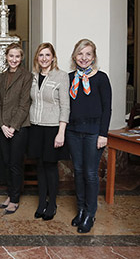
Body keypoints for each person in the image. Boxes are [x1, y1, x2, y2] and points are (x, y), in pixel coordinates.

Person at [67, 38, 112, 235]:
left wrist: (103, 134)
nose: (83, 58)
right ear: (75, 56)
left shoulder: (101, 78)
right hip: (73, 132)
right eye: (80, 54)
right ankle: (81, 209)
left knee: (91, 173)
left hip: (94, 132)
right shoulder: (69, 78)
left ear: (93, 57)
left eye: (88, 54)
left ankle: (90, 214)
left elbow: (107, 109)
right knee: (77, 171)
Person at [29, 43, 69, 221]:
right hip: (35, 126)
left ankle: (52, 203)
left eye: (47, 55)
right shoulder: (32, 76)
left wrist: (61, 132)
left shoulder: (61, 76)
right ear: (37, 58)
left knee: (51, 166)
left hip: (53, 127)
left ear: (53, 57)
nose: (44, 58)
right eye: (40, 55)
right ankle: (41, 202)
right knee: (39, 166)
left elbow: (65, 106)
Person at [0, 42, 31, 215]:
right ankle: (10, 194)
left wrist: (12, 126)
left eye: (17, 56)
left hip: (19, 127)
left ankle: (15, 199)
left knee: (16, 165)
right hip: (3, 128)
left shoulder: (27, 76)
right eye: (11, 56)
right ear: (6, 57)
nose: (14, 59)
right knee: (7, 163)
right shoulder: (1, 77)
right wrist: (2, 124)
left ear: (21, 58)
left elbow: (24, 104)